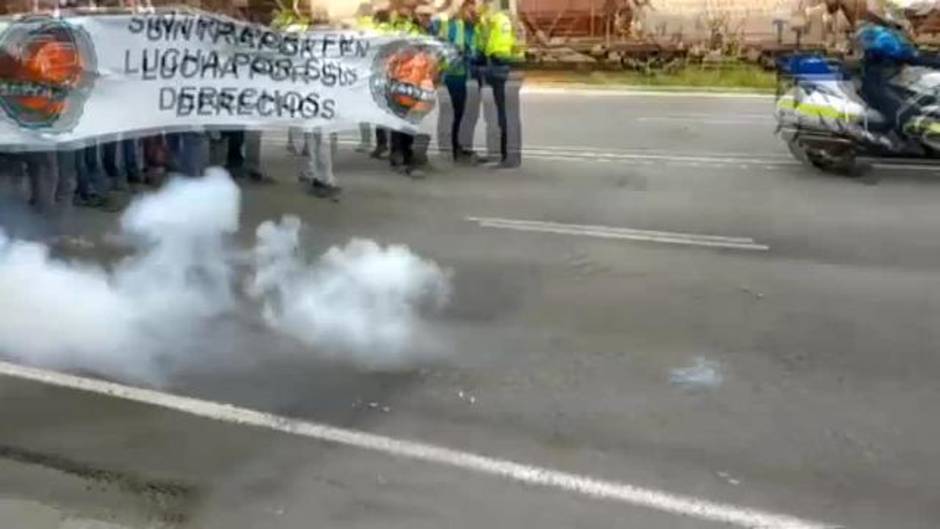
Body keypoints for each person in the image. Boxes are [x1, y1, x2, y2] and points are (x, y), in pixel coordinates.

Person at [474, 0, 523, 168]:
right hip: (497, 67)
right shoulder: (494, 20)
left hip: (498, 68)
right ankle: (499, 153)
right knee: (496, 114)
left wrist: (484, 64)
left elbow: (494, 49)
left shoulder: (495, 20)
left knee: (503, 114)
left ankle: (507, 156)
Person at [432, 0, 480, 163]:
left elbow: (472, 50)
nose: (472, 13)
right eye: (469, 10)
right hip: (453, 75)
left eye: (473, 11)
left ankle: (458, 146)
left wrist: (470, 54)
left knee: (461, 112)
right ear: (462, 10)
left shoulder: (471, 28)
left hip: (462, 74)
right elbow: (446, 46)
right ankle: (455, 149)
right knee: (458, 112)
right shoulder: (455, 25)